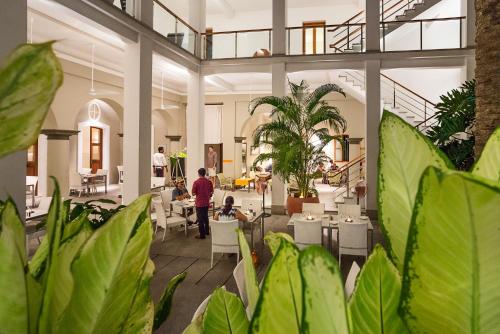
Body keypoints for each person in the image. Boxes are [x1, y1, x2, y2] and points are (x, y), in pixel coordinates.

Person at [192, 168, 213, 239]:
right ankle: (207, 231)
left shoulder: (196, 182)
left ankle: (202, 235)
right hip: (207, 203)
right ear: (205, 173)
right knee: (206, 217)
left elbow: (193, 193)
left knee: (200, 219)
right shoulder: (209, 182)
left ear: (198, 174)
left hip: (199, 203)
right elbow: (211, 193)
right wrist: (208, 195)